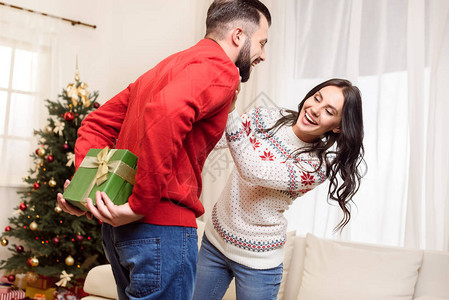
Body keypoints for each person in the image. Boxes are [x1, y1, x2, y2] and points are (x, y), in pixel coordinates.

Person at [56, 0, 271, 299]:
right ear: (238, 35)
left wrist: (88, 190)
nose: (262, 54)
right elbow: (166, 111)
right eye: (262, 42)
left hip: (119, 231)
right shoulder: (222, 69)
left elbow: (96, 123)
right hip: (160, 228)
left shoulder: (165, 67)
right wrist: (140, 205)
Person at [192, 78, 366, 300]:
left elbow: (253, 170)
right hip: (215, 241)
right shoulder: (270, 117)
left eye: (328, 111)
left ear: (338, 126)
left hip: (258, 263)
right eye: (317, 98)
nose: (314, 109)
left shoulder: (315, 167)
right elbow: (216, 139)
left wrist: (230, 110)